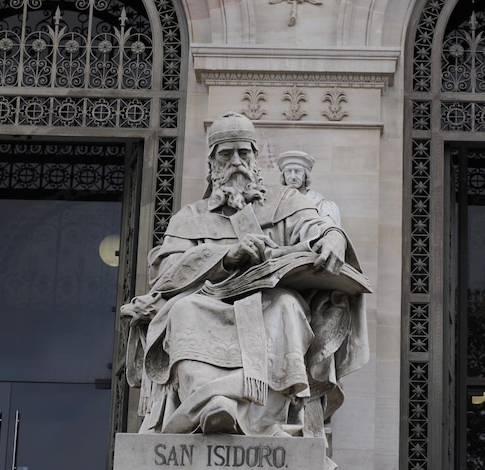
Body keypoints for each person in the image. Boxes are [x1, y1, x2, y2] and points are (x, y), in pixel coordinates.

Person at [121, 112, 368, 443]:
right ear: (212, 164)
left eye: (244, 153)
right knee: (183, 312)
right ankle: (209, 405)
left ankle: (263, 421)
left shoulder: (285, 201)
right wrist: (226, 258)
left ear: (255, 159)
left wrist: (333, 237)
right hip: (206, 302)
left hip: (268, 302)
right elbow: (164, 272)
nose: (236, 162)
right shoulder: (189, 218)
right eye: (226, 154)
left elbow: (315, 226)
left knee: (288, 309)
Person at [277, 150, 341, 226]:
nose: (293, 177)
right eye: (288, 171)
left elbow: (330, 232)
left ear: (306, 175)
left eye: (298, 171)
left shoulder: (322, 205)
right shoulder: (276, 204)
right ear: (283, 175)